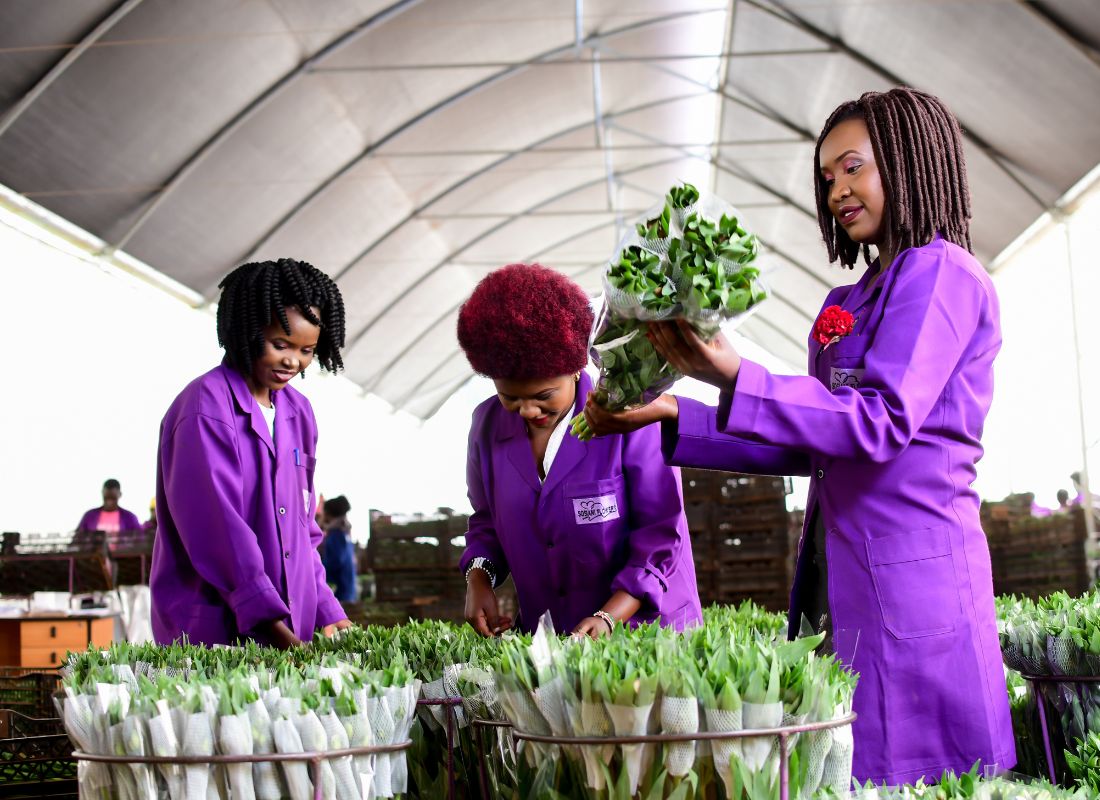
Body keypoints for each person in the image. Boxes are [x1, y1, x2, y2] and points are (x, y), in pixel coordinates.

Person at [583, 88, 1014, 784]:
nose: (838, 190)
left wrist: (735, 373)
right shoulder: (847, 302)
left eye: (853, 167)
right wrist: (677, 415)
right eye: (827, 178)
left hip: (913, 576)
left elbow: (878, 422)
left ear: (910, 162)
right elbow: (817, 444)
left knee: (925, 776)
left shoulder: (942, 273)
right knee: (849, 770)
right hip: (841, 571)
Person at [456, 263, 702, 639]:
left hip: (647, 631)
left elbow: (662, 532)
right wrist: (479, 577)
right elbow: (487, 521)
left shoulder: (631, 414)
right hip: (555, 635)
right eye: (509, 396)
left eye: (543, 396)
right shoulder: (486, 426)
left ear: (575, 368)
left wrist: (609, 615)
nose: (527, 411)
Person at [149, 258, 352, 649]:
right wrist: (269, 621)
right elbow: (216, 531)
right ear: (246, 329)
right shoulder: (204, 409)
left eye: (307, 350)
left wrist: (328, 610)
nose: (293, 360)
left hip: (291, 628)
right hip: (216, 630)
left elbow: (302, 529)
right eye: (281, 345)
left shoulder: (299, 412)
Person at [320, 495, 357, 602]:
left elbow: (334, 562)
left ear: (327, 514)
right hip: (347, 590)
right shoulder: (344, 533)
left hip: (339, 593)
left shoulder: (336, 535)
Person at [76, 479, 142, 533]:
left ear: (120, 494)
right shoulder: (89, 516)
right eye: (106, 498)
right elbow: (77, 539)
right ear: (102, 493)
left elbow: (140, 540)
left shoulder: (130, 518)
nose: (109, 502)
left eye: (113, 498)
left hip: (122, 550)